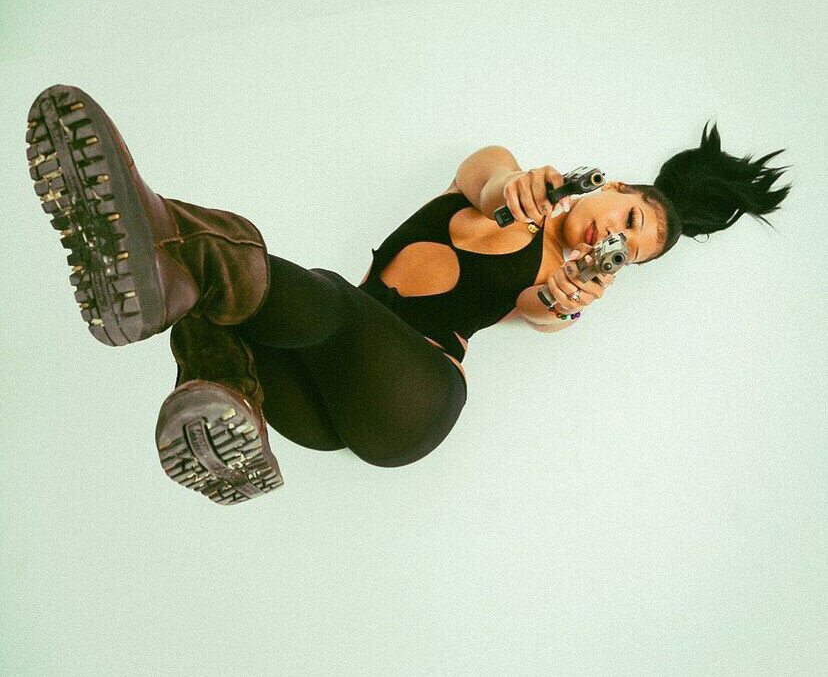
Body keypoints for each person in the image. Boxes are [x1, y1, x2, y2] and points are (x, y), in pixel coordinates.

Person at [26, 85, 792, 505]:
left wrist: (567, 297)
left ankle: (153, 229)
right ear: (613, 185)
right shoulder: (509, 172)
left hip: (412, 400)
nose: (611, 236)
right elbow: (487, 179)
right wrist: (515, 189)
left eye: (626, 251)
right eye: (627, 218)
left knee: (306, 289)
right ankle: (223, 399)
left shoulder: (556, 286)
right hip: (311, 403)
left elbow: (545, 309)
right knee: (234, 293)